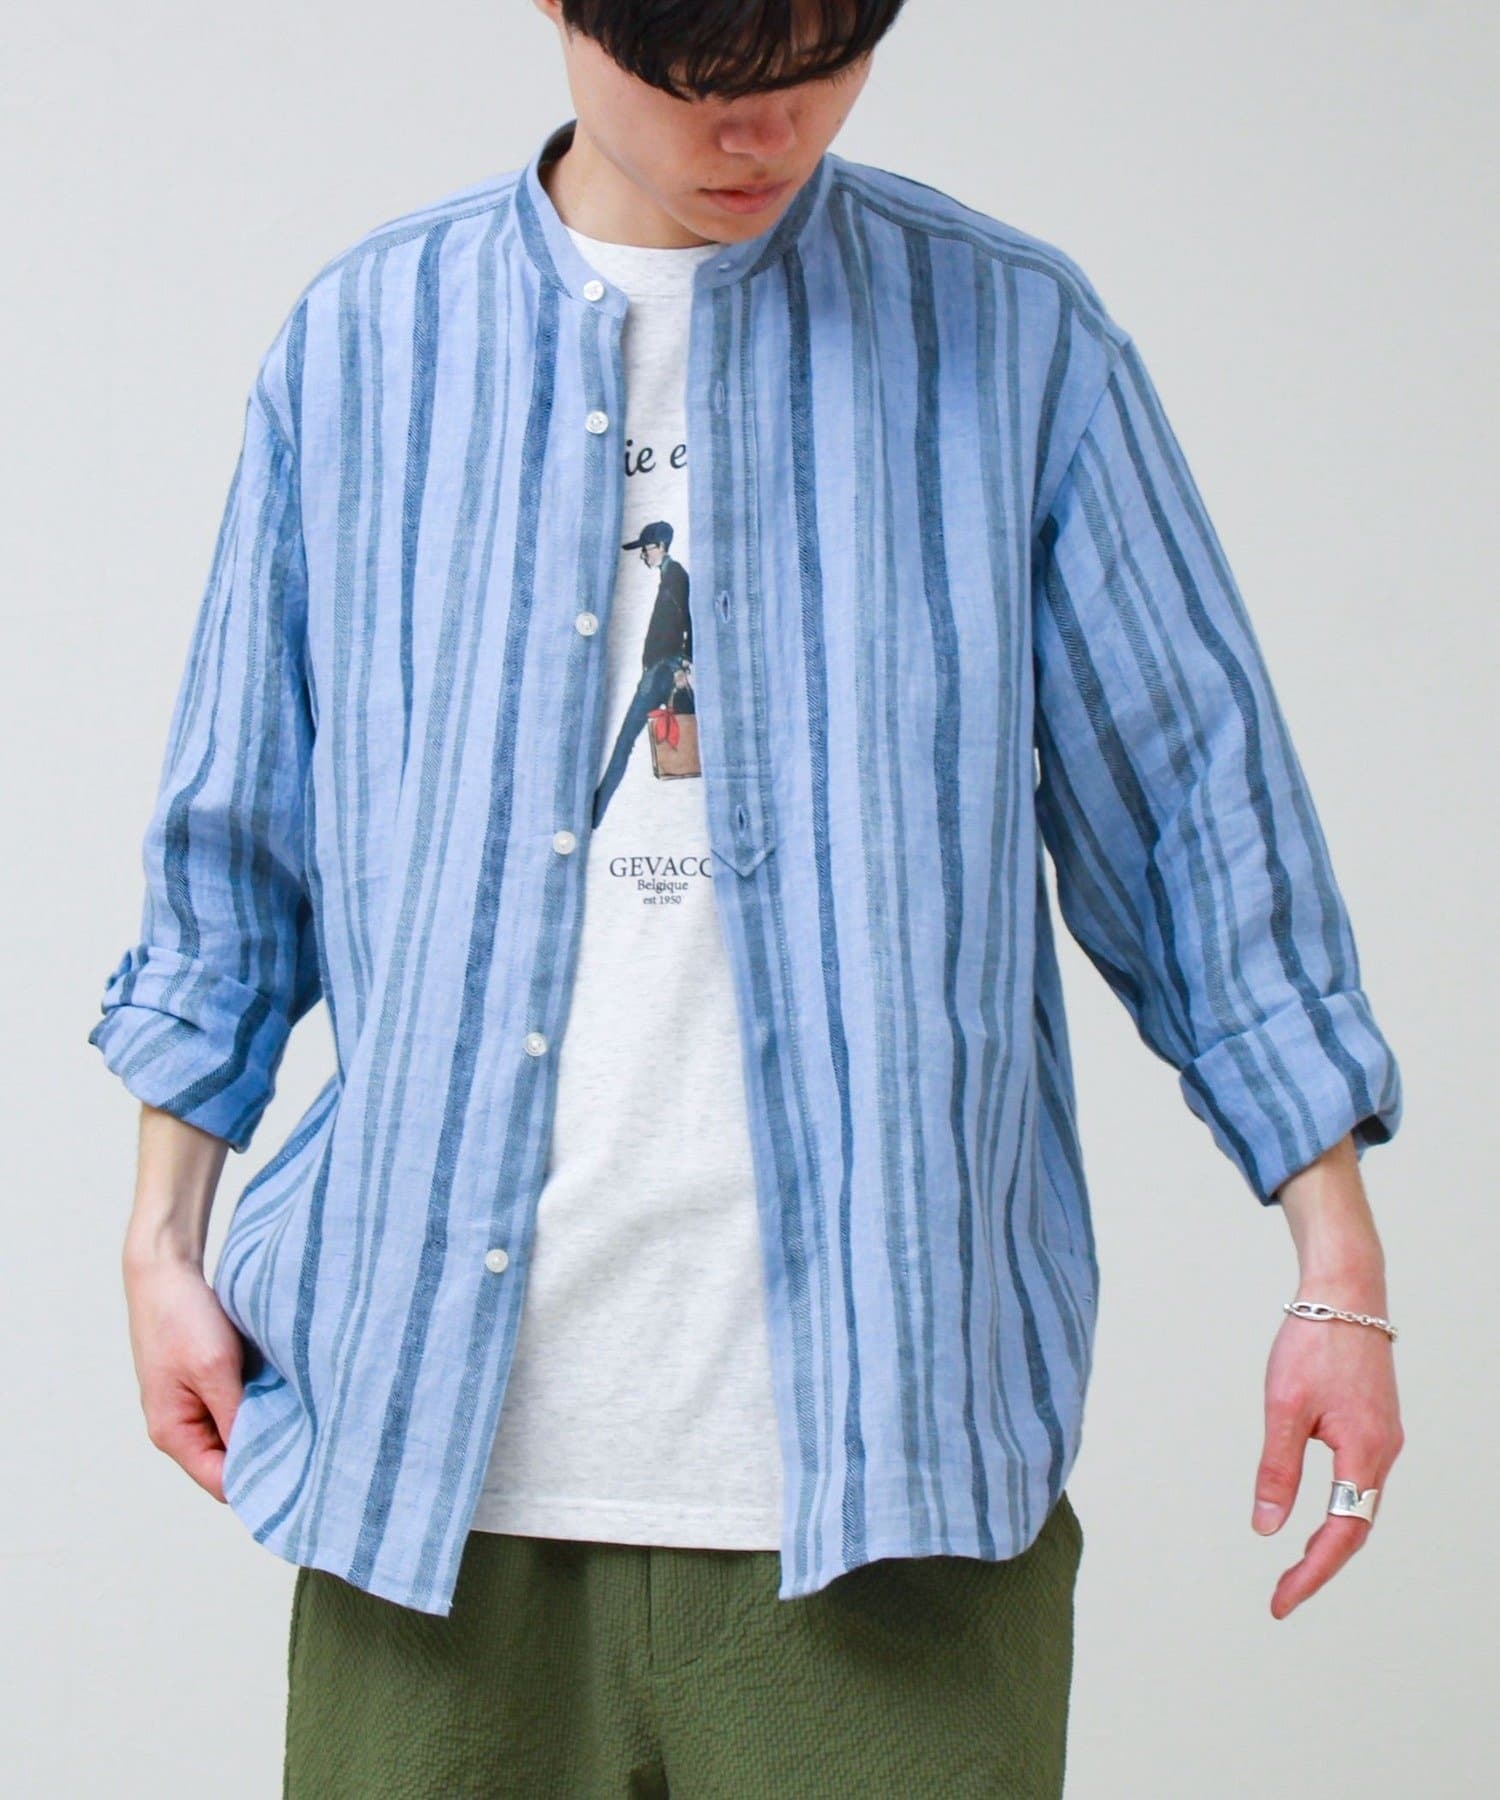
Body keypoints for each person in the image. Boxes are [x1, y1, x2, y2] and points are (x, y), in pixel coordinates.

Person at [87, 1, 1406, 1793]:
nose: (761, 135)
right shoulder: (365, 349)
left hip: (896, 1493)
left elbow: (1197, 814)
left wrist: (1338, 1272)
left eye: (818, 69)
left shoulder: (1014, 342)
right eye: (699, 81)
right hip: (427, 1487)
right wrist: (162, 1239)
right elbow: (238, 838)